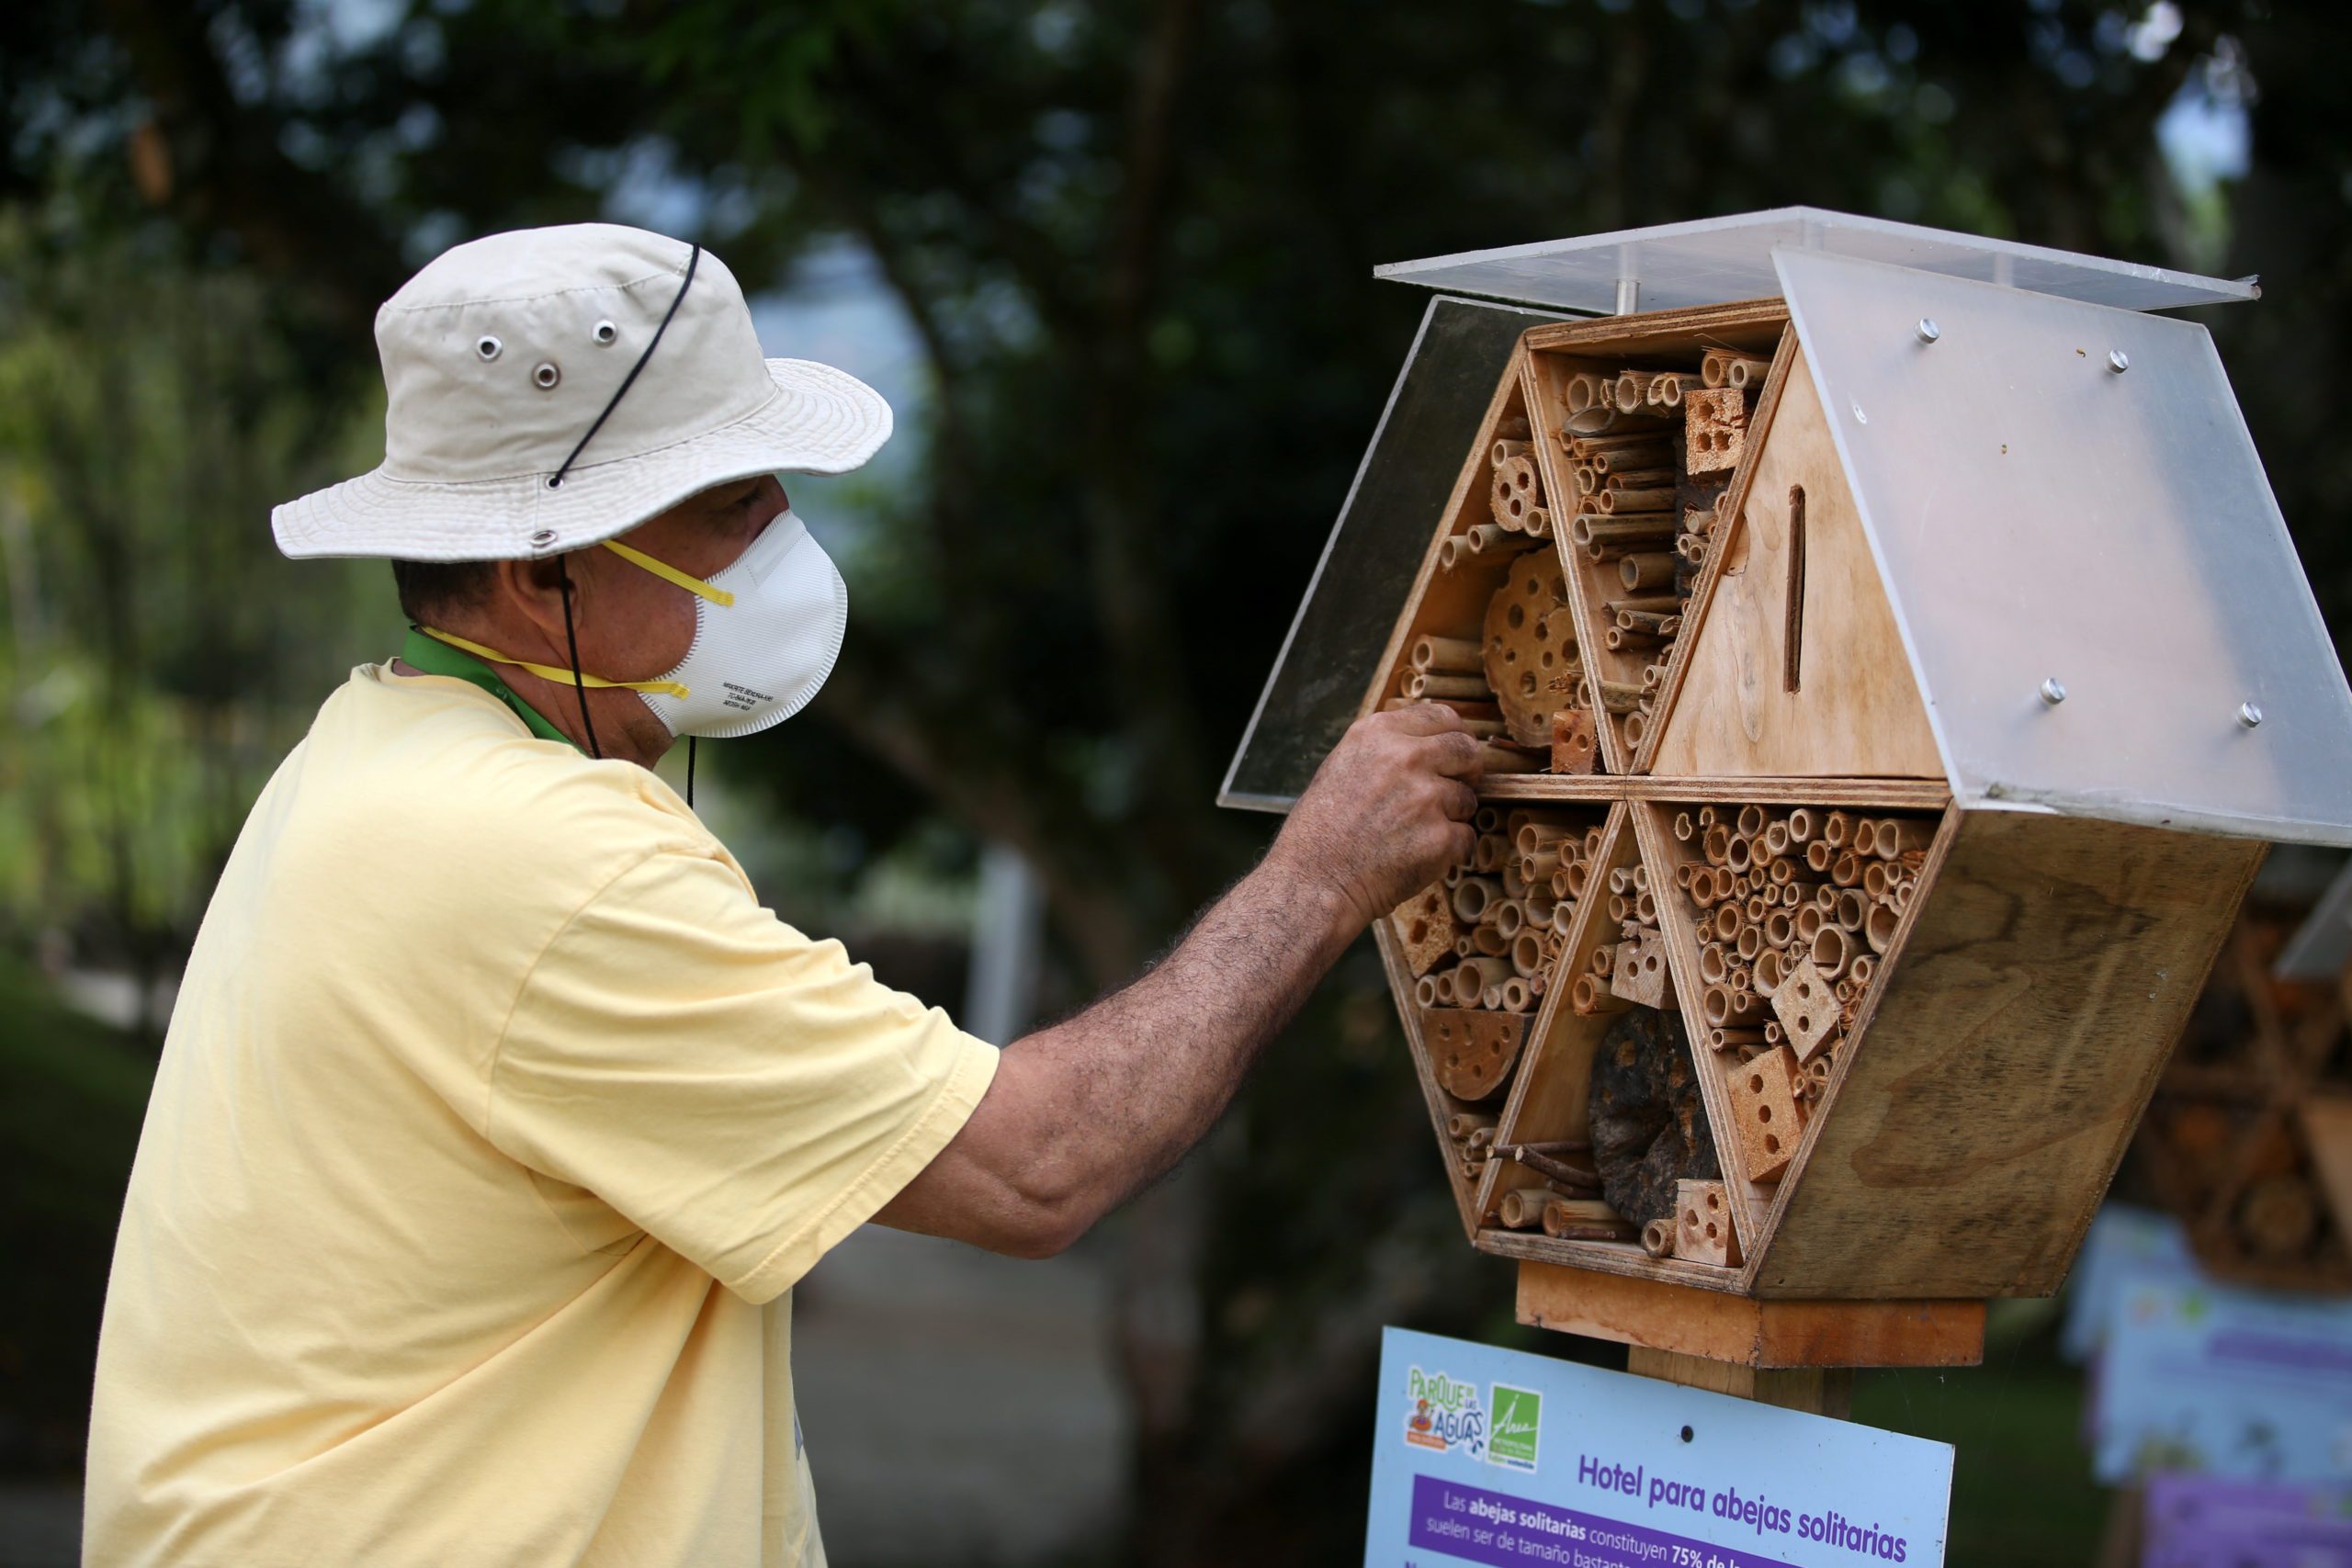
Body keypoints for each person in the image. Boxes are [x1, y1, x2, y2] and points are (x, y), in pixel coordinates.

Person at [82, 223, 1479, 1567]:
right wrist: (1324, 871)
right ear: (540, 570)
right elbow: (1036, 1164)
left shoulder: (374, 750)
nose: (785, 546)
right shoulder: (538, 856)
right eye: (732, 508)